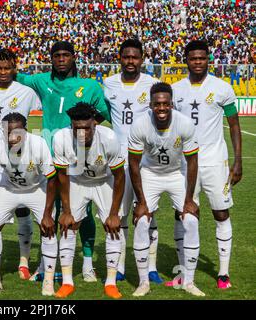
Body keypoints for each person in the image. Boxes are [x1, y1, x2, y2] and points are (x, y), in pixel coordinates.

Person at [0, 41, 111, 282]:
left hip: (78, 155)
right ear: (51, 59)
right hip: (49, 155)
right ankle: (49, 265)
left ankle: (87, 264)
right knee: (53, 211)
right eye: (56, 55)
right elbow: (11, 73)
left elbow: (103, 113)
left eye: (66, 55)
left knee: (82, 210)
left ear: (74, 58)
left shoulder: (90, 85)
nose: (61, 59)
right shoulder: (42, 81)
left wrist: (83, 135)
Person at [171, 40, 242, 289]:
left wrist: (237, 161)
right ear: (186, 60)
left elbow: (234, 125)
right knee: (183, 214)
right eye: (193, 58)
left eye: (202, 58)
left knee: (220, 213)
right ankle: (182, 272)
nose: (198, 62)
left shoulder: (222, 88)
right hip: (183, 163)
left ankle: (223, 273)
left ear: (208, 60)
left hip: (214, 162)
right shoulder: (175, 90)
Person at [128, 82, 204, 297]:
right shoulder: (140, 125)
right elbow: (133, 164)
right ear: (150, 105)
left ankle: (189, 281)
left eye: (165, 104)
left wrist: (189, 199)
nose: (161, 108)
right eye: (157, 104)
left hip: (176, 174)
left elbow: (192, 162)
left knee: (190, 220)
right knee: (142, 222)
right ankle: (143, 283)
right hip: (150, 174)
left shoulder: (185, 124)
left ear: (172, 104)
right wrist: (141, 202)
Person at [0, 48, 42, 280]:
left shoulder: (27, 92)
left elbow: (51, 106)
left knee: (23, 210)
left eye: (7, 68)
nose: (3, 72)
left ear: (15, 67)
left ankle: (24, 261)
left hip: (18, 159)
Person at [51, 102, 125, 299]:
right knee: (68, 225)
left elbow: (119, 176)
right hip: (76, 181)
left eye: (87, 128)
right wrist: (66, 211)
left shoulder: (109, 137)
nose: (82, 133)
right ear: (71, 126)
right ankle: (67, 282)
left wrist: (114, 213)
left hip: (104, 181)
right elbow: (62, 176)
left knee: (112, 226)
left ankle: (110, 282)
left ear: (95, 124)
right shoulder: (61, 138)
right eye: (77, 128)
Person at [0, 112, 58, 296]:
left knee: (49, 228)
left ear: (26, 130)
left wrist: (47, 214)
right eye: (8, 132)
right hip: (9, 188)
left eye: (17, 133)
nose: (13, 138)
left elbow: (52, 179)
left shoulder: (38, 144)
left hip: (37, 188)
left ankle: (48, 280)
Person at [103, 39, 162, 283]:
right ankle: (120, 267)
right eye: (126, 57)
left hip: (146, 161)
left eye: (135, 57)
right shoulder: (109, 84)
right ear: (120, 58)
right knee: (121, 214)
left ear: (142, 59)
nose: (130, 61)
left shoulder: (151, 84)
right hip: (118, 161)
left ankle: (151, 267)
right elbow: (105, 113)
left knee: (148, 214)